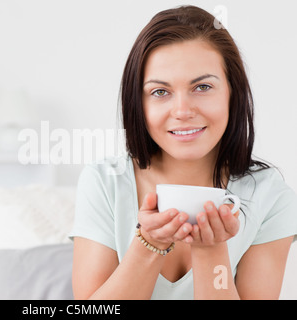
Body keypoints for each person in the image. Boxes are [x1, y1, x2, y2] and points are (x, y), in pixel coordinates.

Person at [69, 5, 297, 300]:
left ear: (233, 93)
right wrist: (148, 243)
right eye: (160, 92)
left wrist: (212, 251)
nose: (182, 111)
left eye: (202, 87)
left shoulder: (269, 195)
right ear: (138, 103)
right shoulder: (104, 181)